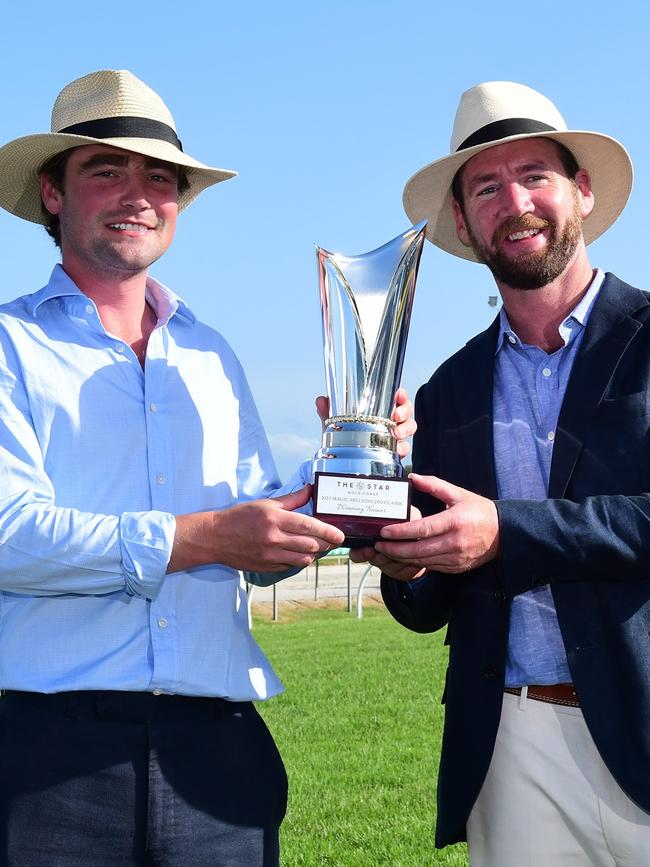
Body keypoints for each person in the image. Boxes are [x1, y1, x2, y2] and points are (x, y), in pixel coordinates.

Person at [0, 69, 414, 867]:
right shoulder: (11, 346)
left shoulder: (213, 354)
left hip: (218, 751)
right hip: (46, 757)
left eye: (161, 177)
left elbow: (256, 537)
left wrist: (354, 464)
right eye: (106, 170)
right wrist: (206, 536)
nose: (138, 194)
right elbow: (11, 535)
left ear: (178, 206)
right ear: (52, 194)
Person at [352, 80, 650, 866]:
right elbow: (427, 604)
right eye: (486, 186)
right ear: (461, 218)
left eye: (535, 177)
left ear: (582, 191)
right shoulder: (447, 388)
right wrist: (407, 558)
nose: (513, 201)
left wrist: (504, 530)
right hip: (512, 748)